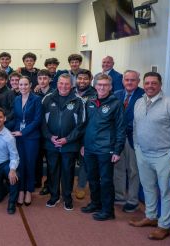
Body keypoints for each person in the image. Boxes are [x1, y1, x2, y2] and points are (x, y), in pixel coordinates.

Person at [129, 72, 170, 240]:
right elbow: (135, 126)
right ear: (143, 84)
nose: (150, 86)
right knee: (148, 188)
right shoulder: (139, 102)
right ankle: (151, 217)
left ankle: (164, 226)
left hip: (164, 157)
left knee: (167, 191)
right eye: (147, 83)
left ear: (160, 85)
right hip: (143, 154)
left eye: (154, 83)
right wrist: (137, 147)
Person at [80, 74, 125, 221]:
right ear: (95, 86)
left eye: (105, 85)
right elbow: (84, 125)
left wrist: (117, 150)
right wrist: (83, 144)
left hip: (106, 149)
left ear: (111, 87)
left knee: (105, 180)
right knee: (92, 178)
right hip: (90, 148)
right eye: (99, 84)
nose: (102, 87)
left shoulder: (116, 103)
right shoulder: (90, 102)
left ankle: (108, 210)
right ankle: (95, 203)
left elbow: (120, 128)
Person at [41, 74, 86, 210]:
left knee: (68, 171)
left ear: (71, 85)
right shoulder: (47, 99)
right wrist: (49, 137)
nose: (63, 86)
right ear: (57, 83)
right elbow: (41, 122)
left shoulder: (79, 101)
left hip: (69, 145)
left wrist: (67, 139)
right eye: (61, 83)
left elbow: (81, 125)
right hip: (52, 144)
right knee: (52, 171)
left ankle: (67, 197)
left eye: (67, 84)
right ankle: (54, 196)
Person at [6, 76, 42, 206]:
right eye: (20, 85)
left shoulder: (37, 99)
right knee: (20, 165)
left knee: (30, 164)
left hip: (31, 137)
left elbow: (37, 120)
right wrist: (6, 129)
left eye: (25, 84)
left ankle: (28, 190)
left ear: (30, 85)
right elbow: (16, 118)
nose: (22, 87)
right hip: (18, 136)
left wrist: (23, 131)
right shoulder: (16, 99)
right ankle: (21, 190)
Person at [113, 70, 145, 213]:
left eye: (133, 80)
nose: (129, 82)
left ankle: (132, 200)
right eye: (127, 80)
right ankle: (119, 196)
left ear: (138, 81)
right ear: (123, 81)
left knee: (133, 170)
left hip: (134, 138)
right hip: (117, 138)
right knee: (118, 168)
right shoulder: (117, 94)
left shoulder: (144, 96)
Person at [73, 69, 98, 200]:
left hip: (87, 134)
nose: (82, 81)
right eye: (80, 78)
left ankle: (81, 186)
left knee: (84, 161)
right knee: (69, 160)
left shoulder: (95, 94)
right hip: (71, 134)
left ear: (90, 80)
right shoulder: (71, 92)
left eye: (85, 79)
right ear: (76, 79)